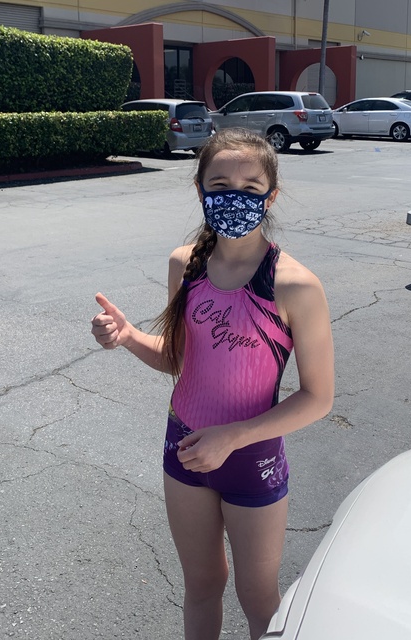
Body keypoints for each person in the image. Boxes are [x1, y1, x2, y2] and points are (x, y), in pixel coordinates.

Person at [91, 128, 334, 640]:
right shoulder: (187, 264)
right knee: (201, 583)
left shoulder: (294, 284)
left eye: (251, 187)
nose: (234, 196)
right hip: (183, 447)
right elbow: (179, 360)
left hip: (251, 459)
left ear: (272, 195)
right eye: (220, 184)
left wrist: (233, 437)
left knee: (258, 594)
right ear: (201, 190)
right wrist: (128, 335)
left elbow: (319, 398)